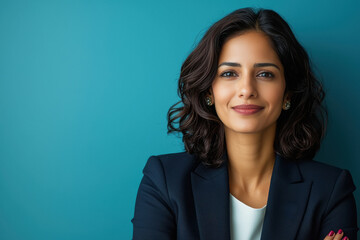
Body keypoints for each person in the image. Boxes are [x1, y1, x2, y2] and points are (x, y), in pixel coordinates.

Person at [131, 7, 358, 240]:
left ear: (288, 94)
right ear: (209, 91)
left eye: (265, 74)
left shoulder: (331, 189)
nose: (247, 90)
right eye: (229, 73)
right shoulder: (163, 181)